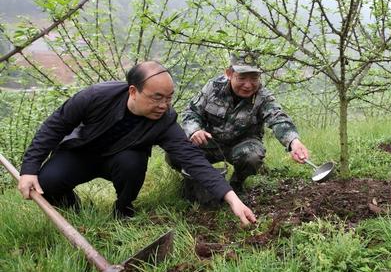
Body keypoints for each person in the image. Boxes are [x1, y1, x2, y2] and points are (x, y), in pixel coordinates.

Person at [17, 61, 256, 226]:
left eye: (169, 98)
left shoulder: (164, 120)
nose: (164, 105)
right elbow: (54, 127)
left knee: (132, 162)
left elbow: (191, 158)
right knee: (47, 182)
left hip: (122, 161)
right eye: (157, 98)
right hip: (82, 153)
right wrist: (28, 169)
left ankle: (123, 209)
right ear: (133, 91)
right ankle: (74, 212)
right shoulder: (96, 96)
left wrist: (232, 199)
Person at [170, 51, 309, 197]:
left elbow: (278, 118)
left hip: (242, 146)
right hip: (210, 141)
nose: (248, 85)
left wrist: (293, 142)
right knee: (176, 152)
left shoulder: (263, 96)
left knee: (252, 157)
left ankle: (236, 185)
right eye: (241, 78)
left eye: (254, 78)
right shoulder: (213, 88)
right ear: (229, 73)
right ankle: (195, 180)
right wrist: (194, 131)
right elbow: (191, 112)